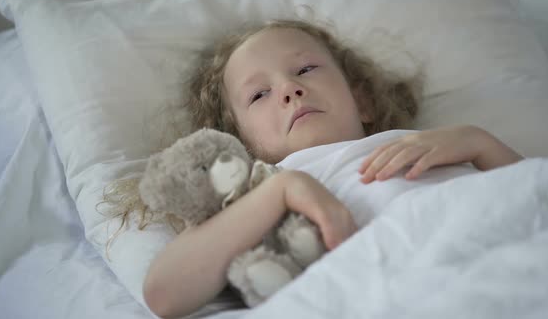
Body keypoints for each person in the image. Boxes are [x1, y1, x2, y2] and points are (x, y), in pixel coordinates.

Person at [141, 19, 523, 318]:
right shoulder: (259, 191)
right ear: (243, 144)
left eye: (306, 69)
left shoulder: (427, 143)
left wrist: (478, 143)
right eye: (259, 94)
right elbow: (163, 293)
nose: (290, 89)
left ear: (362, 101)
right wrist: (283, 189)